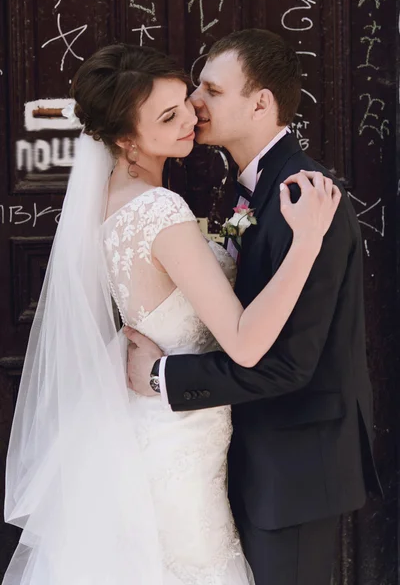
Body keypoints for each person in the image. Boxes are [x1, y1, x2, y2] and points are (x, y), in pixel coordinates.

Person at [3, 43, 339, 585]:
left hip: (156, 421)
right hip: (179, 439)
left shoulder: (110, 199)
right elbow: (245, 343)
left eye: (185, 100)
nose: (192, 116)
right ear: (124, 139)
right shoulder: (160, 208)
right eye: (168, 116)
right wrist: (306, 242)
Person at [126, 30, 381, 585]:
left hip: (295, 465)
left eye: (212, 91)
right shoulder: (249, 190)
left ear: (261, 102)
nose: (195, 103)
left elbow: (289, 363)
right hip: (252, 456)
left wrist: (159, 376)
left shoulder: (306, 199)